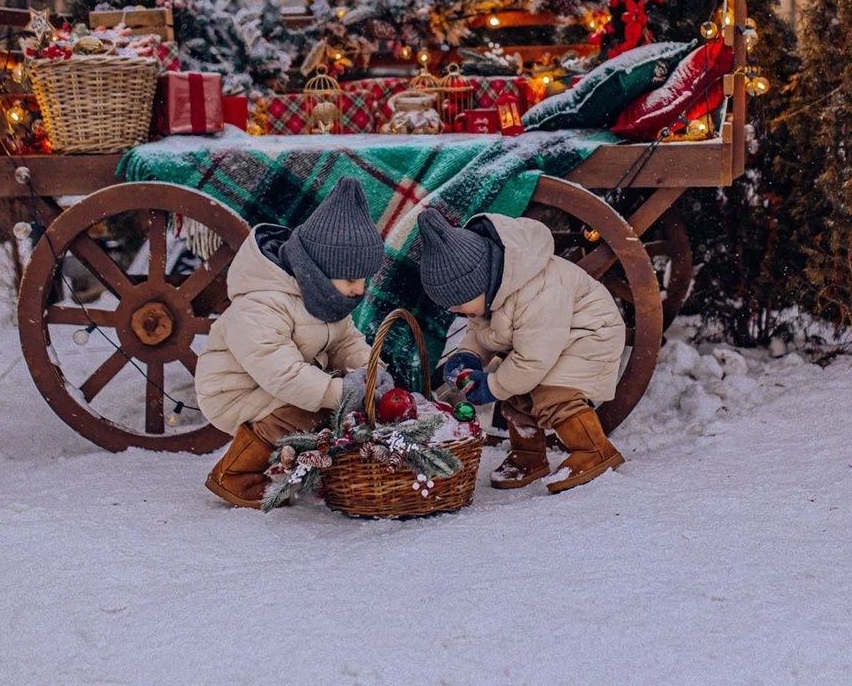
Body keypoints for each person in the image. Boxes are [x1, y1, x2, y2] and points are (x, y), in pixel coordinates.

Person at [196, 177, 389, 508]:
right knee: (309, 410)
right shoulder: (261, 303)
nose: (360, 289)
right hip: (235, 390)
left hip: (279, 382)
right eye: (352, 280)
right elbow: (280, 371)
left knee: (333, 406)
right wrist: (338, 393)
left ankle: (296, 463)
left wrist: (371, 370)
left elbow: (346, 340)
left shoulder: (325, 295)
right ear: (318, 270)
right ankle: (234, 475)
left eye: (364, 280)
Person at [417, 208, 625, 493]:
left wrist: (492, 385)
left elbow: (532, 360)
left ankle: (594, 450)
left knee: (552, 395)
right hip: (548, 342)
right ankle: (529, 455)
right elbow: (481, 331)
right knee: (515, 392)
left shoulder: (537, 291)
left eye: (458, 303)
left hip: (589, 336)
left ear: (480, 283)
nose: (454, 311)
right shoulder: (490, 294)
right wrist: (470, 356)